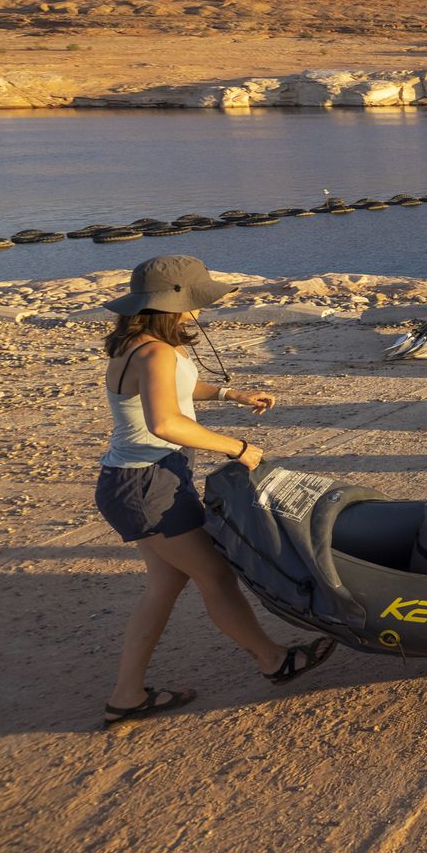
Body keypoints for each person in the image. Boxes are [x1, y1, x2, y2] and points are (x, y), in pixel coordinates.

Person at [94, 255, 334, 728]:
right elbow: (165, 421)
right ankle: (273, 661)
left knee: (164, 585)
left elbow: (175, 392)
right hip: (149, 485)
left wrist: (229, 395)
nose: (203, 308)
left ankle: (127, 695)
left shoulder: (138, 345)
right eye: (198, 299)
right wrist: (238, 447)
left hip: (137, 480)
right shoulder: (155, 352)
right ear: (175, 303)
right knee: (217, 576)